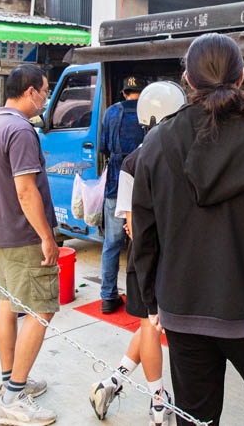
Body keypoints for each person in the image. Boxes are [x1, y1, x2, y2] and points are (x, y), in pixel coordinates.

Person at [132, 33, 244, 426]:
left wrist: (152, 303)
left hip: (183, 309)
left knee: (195, 419)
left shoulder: (156, 144)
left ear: (188, 80)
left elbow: (144, 234)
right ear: (241, 77)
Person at [91, 81, 186, 424]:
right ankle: (158, 399)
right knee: (152, 325)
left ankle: (113, 381)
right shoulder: (185, 155)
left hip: (145, 257)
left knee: (150, 323)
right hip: (175, 257)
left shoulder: (133, 160)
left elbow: (132, 225)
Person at [0, 65, 59, 426]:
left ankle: (9, 381)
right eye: (44, 91)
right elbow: (26, 190)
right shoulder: (21, 130)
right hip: (24, 235)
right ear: (30, 91)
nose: (45, 98)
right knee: (41, 311)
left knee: (7, 307)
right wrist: (46, 237)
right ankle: (13, 397)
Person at [98, 75, 146, 313]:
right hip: (143, 189)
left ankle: (108, 297)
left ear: (124, 92)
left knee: (112, 244)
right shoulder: (148, 113)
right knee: (142, 242)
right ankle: (144, 297)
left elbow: (103, 146)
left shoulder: (111, 113)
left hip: (116, 186)